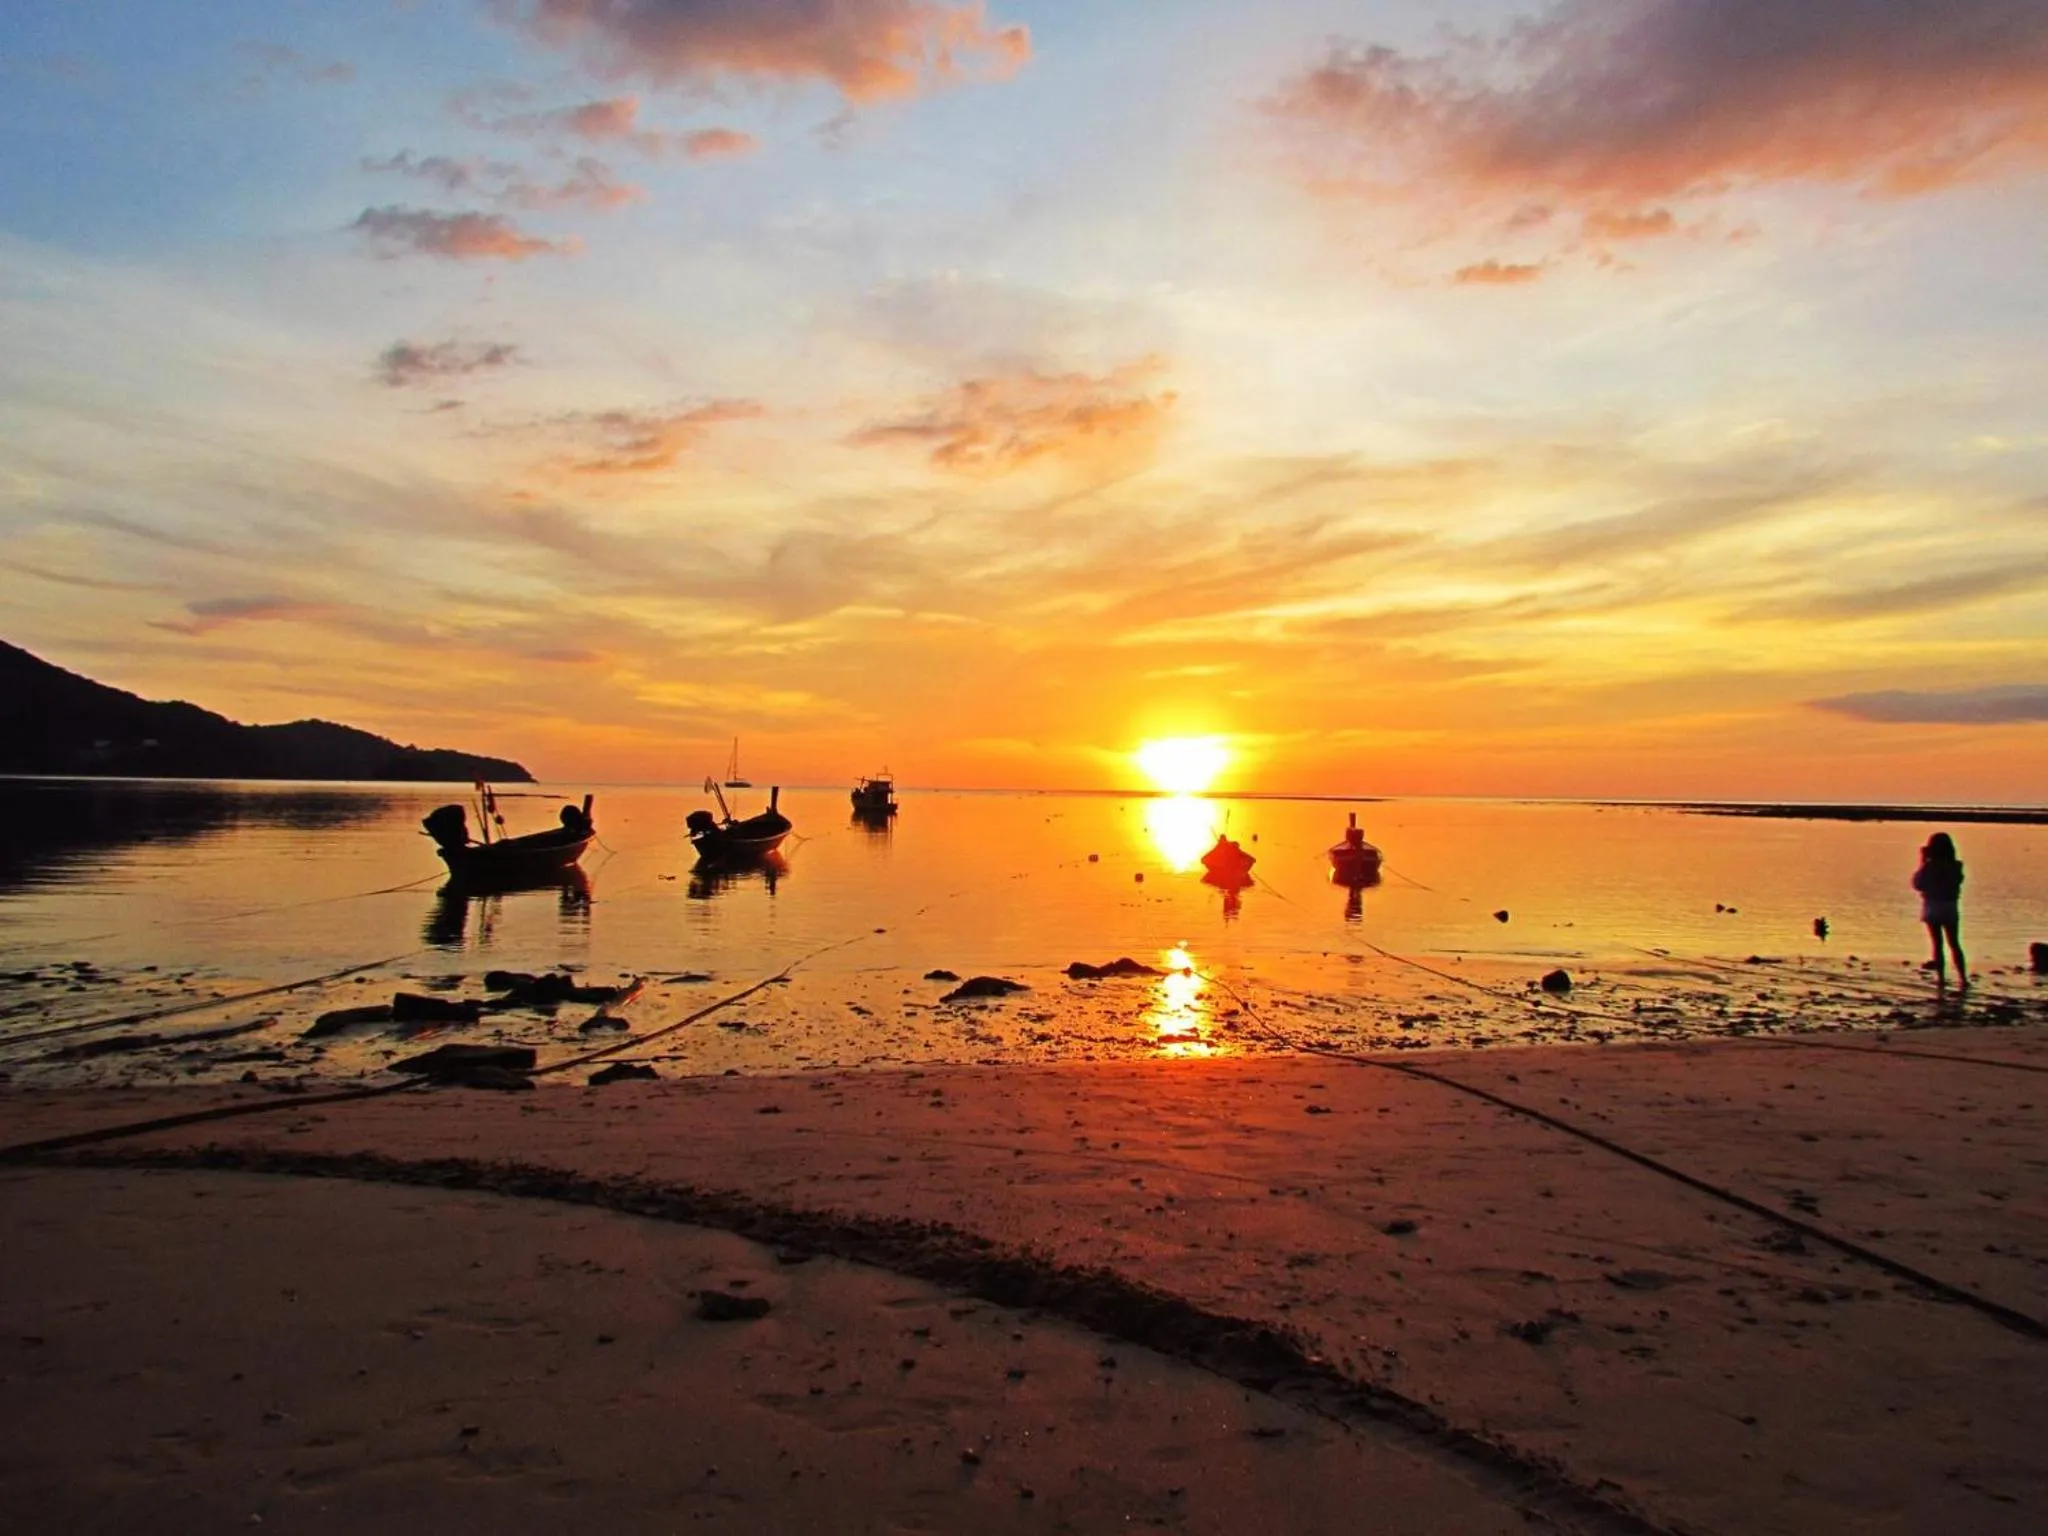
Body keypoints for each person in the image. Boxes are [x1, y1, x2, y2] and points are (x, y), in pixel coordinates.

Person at [1911, 833, 1967, 988]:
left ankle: (1941, 978)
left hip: (1933, 907)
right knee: (1954, 943)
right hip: (1950, 906)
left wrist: (1923, 861)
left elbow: (1917, 884)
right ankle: (1963, 977)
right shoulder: (1955, 867)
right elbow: (1958, 882)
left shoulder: (1929, 867)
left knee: (1937, 944)